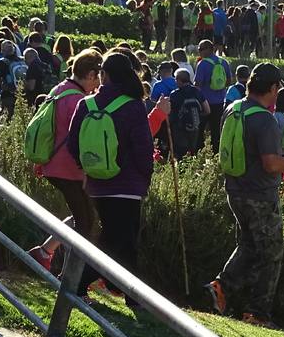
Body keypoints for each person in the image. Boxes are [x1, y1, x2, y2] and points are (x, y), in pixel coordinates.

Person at [206, 63, 284, 326]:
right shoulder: (264, 119)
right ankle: (257, 312)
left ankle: (222, 286)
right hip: (259, 194)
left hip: (235, 189)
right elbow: (271, 163)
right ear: (273, 88)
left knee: (250, 245)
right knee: (271, 252)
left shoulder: (234, 108)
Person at [66, 52, 154, 301]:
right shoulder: (134, 106)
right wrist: (145, 176)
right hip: (128, 184)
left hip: (97, 182)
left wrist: (87, 168)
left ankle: (133, 296)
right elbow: (143, 147)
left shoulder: (87, 104)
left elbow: (73, 145)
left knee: (121, 239)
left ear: (104, 75)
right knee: (118, 241)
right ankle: (77, 282)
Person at [30, 50, 104, 299]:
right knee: (86, 223)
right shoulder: (77, 101)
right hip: (68, 169)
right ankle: (70, 280)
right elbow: (79, 141)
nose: (98, 84)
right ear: (91, 74)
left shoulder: (59, 89)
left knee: (82, 216)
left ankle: (44, 252)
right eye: (97, 78)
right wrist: (85, 172)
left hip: (53, 164)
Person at [193, 39, 231, 152]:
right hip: (219, 102)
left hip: (204, 102)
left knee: (200, 130)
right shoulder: (223, 62)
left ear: (210, 49)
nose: (199, 52)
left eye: (201, 49)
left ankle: (198, 152)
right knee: (216, 130)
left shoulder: (202, 64)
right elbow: (229, 81)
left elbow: (197, 84)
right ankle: (216, 153)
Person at [166, 68, 209, 159]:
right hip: (195, 126)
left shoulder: (174, 94)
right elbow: (207, 110)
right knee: (193, 151)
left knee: (181, 153)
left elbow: (169, 112)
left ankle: (182, 171)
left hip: (179, 128)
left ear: (178, 80)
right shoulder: (197, 91)